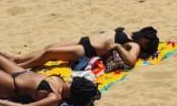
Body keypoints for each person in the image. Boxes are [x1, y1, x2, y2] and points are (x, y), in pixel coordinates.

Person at [12, 26, 160, 72]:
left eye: (147, 43)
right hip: (84, 40)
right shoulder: (130, 34)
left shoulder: (134, 45)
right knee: (49, 48)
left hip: (87, 50)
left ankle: (19, 67)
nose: (144, 42)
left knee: (50, 54)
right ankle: (17, 59)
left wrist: (117, 47)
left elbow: (131, 61)